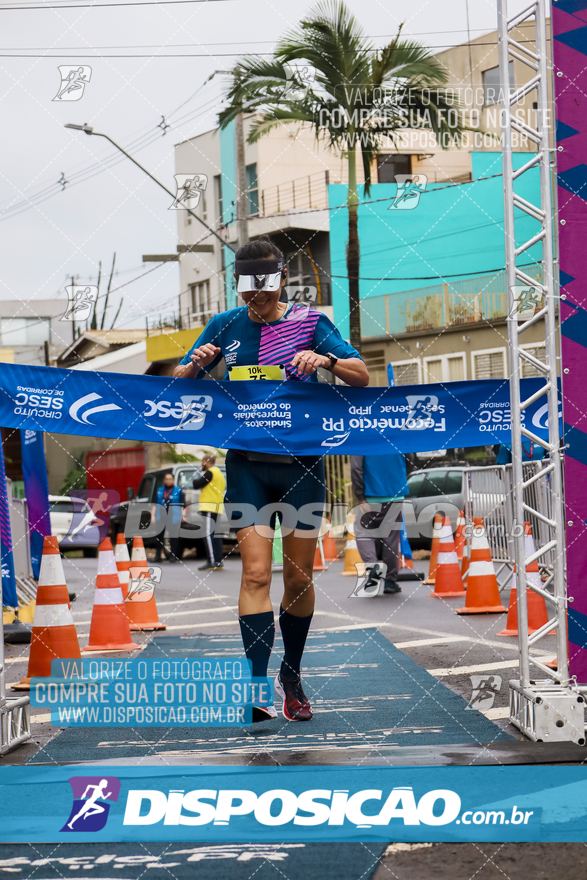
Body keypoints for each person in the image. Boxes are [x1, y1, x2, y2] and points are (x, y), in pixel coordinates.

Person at [173, 236, 369, 722]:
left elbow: (361, 374)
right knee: (257, 573)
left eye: (263, 288)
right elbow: (177, 384)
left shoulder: (308, 322)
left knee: (299, 579)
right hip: (245, 466)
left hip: (302, 466)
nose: (255, 299)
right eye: (246, 290)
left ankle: (292, 675)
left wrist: (326, 361)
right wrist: (196, 365)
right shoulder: (224, 325)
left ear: (280, 280)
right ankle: (255, 684)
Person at [351, 453, 409, 595]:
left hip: (371, 496)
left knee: (363, 532)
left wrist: (360, 496)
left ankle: (373, 567)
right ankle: (390, 581)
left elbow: (356, 468)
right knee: (391, 539)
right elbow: (410, 458)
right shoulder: (396, 433)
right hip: (396, 493)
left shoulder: (363, 436)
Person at [192, 453, 226, 572]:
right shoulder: (219, 473)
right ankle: (218, 561)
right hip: (217, 508)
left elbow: (196, 484)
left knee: (207, 535)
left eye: (202, 461)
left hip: (209, 507)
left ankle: (212, 561)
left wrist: (198, 471)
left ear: (206, 461)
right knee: (216, 535)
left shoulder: (210, 472)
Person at [152, 472, 186, 564]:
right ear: (164, 480)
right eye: (166, 479)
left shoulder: (178, 491)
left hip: (173, 516)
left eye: (170, 479)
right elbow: (155, 504)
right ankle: (158, 555)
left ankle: (172, 556)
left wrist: (183, 515)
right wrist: (153, 515)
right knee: (159, 536)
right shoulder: (160, 490)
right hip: (161, 516)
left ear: (173, 480)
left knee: (173, 537)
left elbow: (182, 504)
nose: (168, 481)